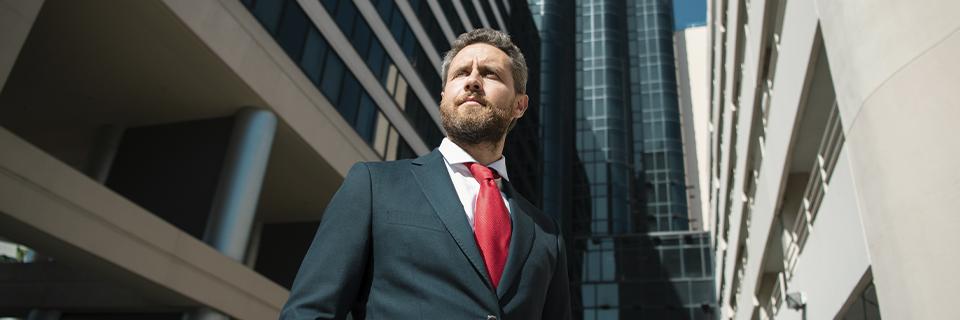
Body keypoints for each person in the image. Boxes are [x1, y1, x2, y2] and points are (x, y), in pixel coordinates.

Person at [280, 28, 571, 320]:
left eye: (490, 74)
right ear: (443, 96)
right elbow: (309, 312)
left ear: (520, 105)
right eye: (460, 73)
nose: (472, 81)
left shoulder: (547, 234)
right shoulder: (373, 186)